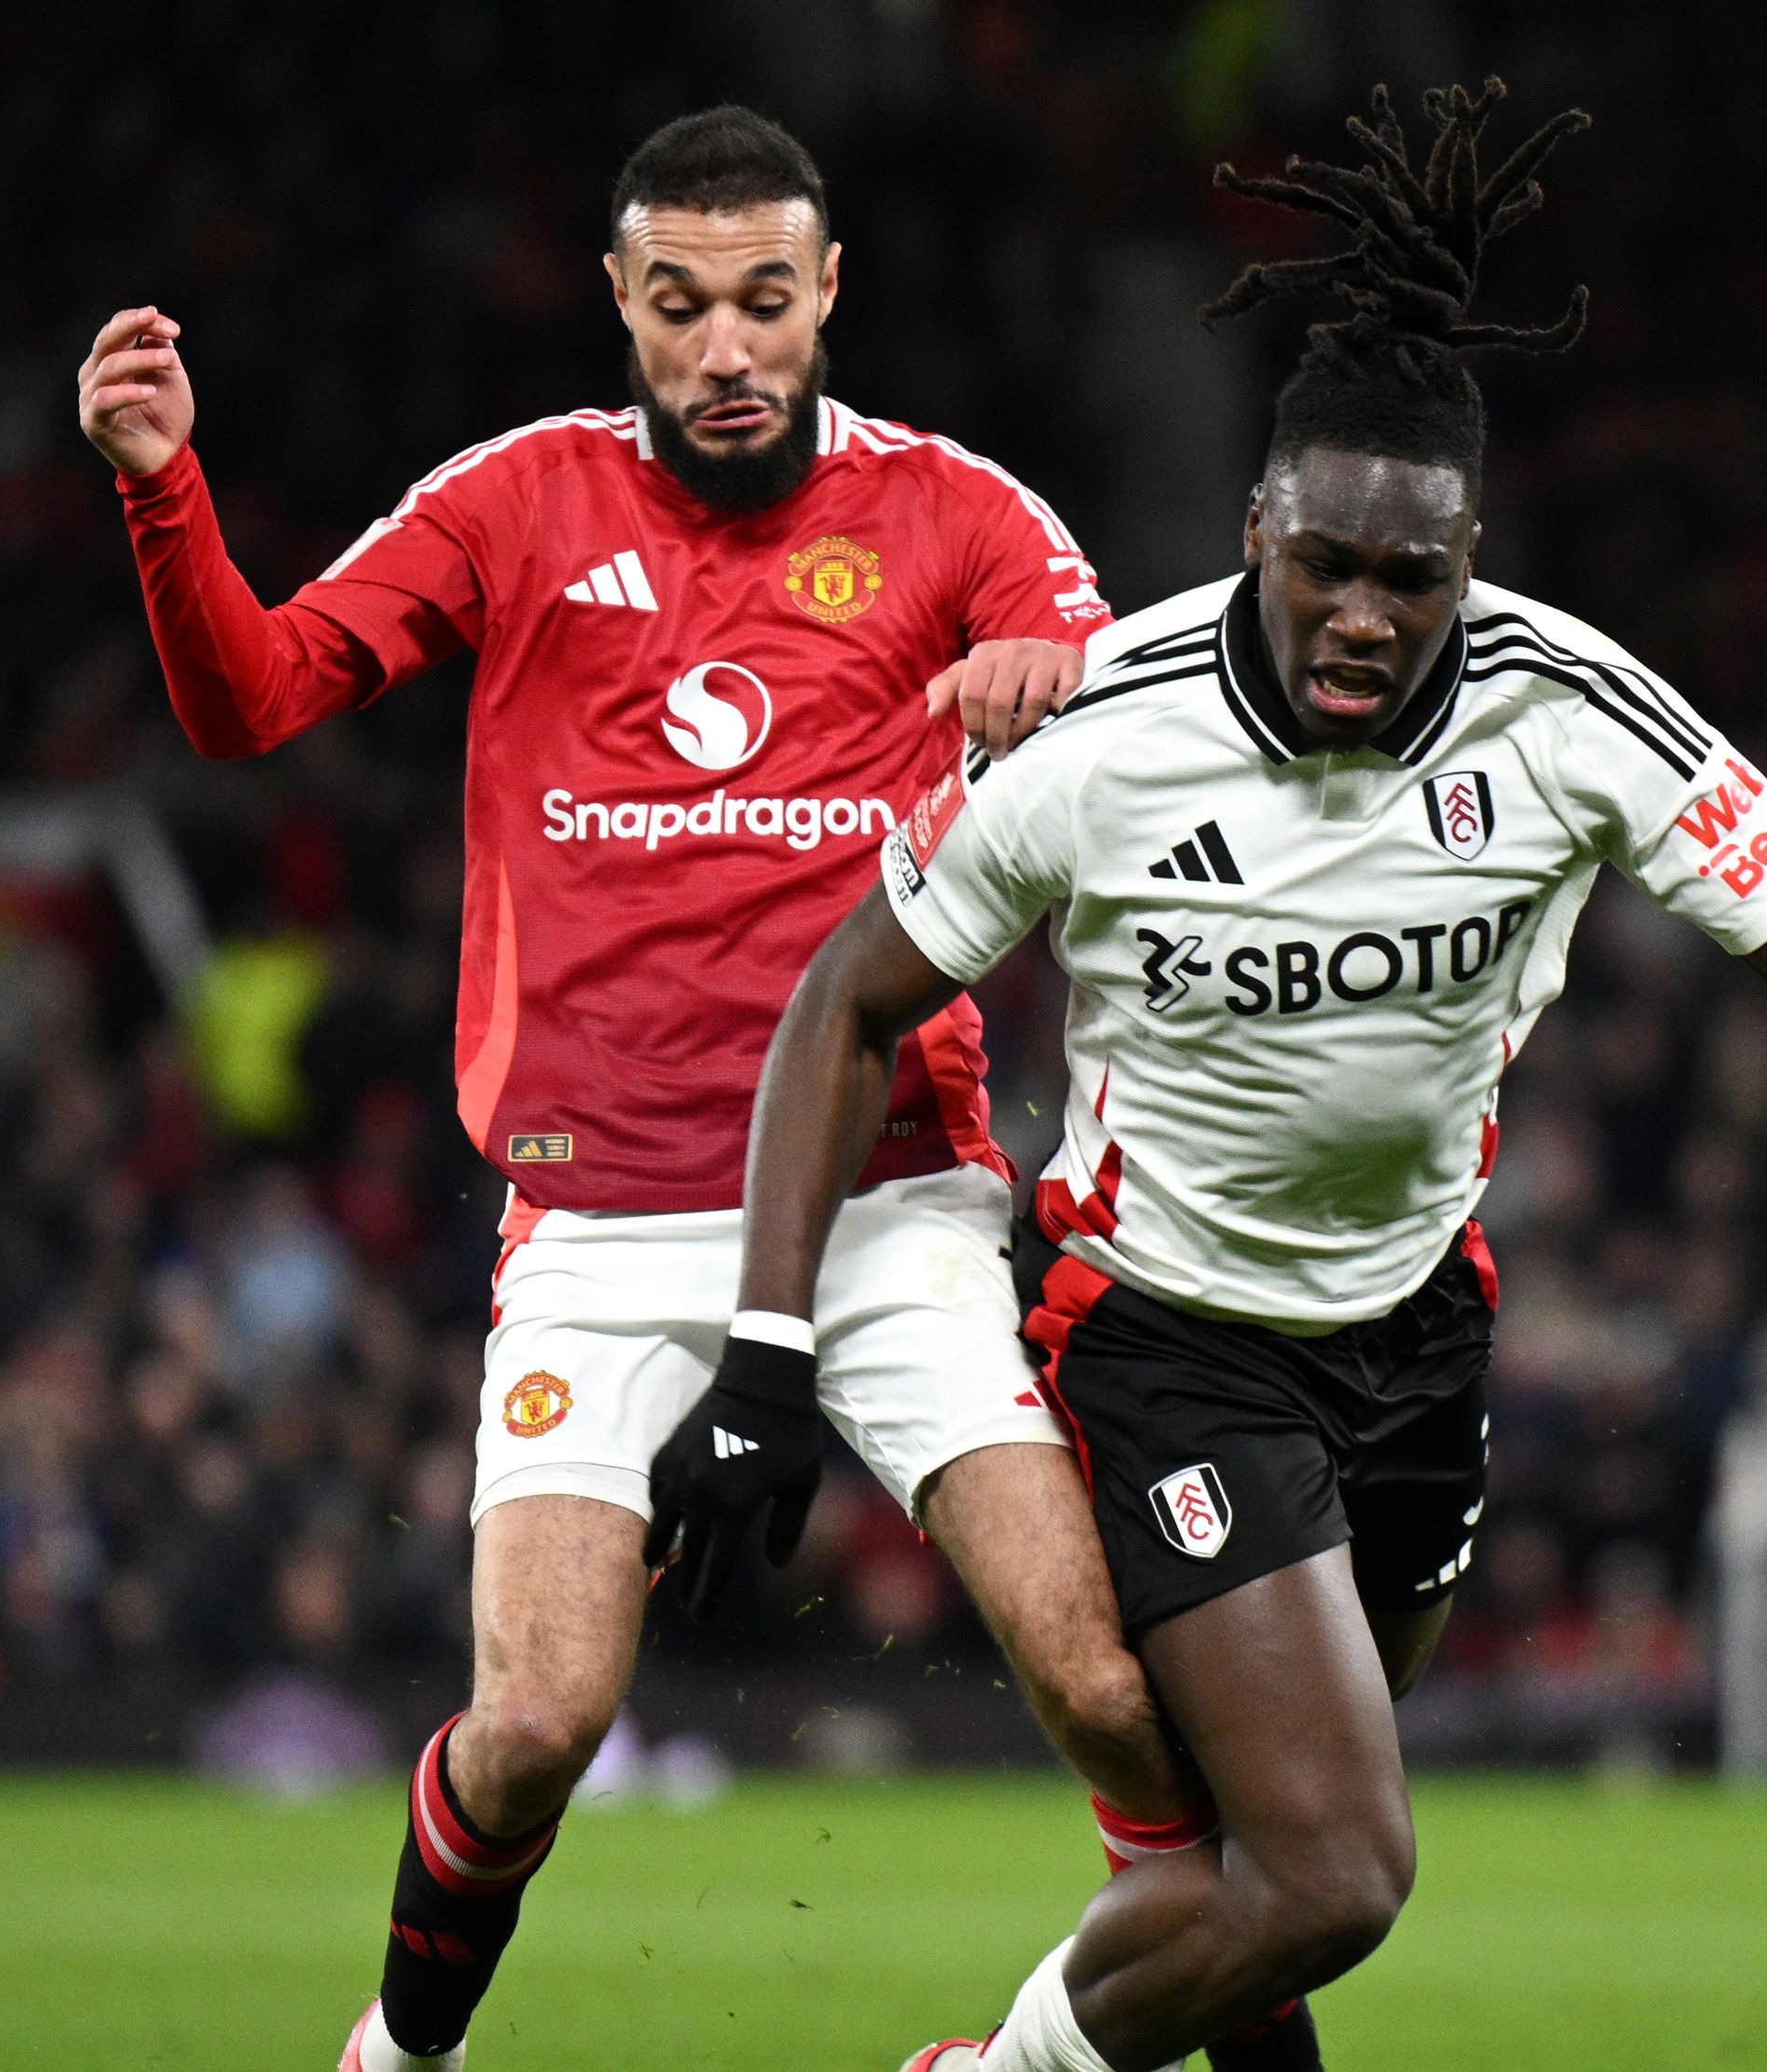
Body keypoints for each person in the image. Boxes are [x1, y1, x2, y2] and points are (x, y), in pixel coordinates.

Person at [666, 82, 1767, 2072]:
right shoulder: (1098, 736)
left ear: (1468, 561)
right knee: (1338, 1870)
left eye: (1409, 578)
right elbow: (842, 999)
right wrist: (764, 1342)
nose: (1362, 615)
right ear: (1256, 533)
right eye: (1324, 562)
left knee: (1268, 1851)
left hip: (1419, 1332)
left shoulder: (1570, 711)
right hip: (1167, 1333)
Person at [78, 107, 1201, 2072]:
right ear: (620, 298)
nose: (726, 348)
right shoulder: (519, 501)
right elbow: (251, 698)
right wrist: (167, 493)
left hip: (890, 1205)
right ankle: (400, 2053)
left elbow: (1117, 719)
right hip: (599, 1225)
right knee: (530, 1726)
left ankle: (1047, 2056)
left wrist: (1046, 694)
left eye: (764, 300)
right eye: (680, 305)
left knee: (1110, 1693)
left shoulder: (958, 512)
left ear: (827, 291)